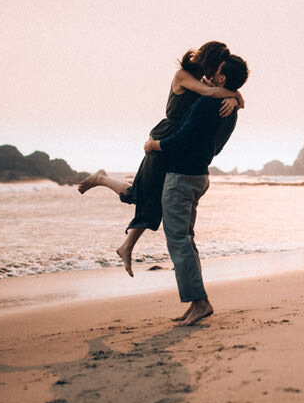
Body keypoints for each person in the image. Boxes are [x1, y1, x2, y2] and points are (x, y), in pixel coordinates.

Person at [78, 42, 244, 276]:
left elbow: (213, 93)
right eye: (218, 65)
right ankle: (103, 181)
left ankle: (128, 246)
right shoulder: (184, 76)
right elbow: (210, 93)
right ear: (210, 61)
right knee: (143, 196)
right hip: (164, 139)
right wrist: (236, 96)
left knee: (154, 199)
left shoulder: (206, 81)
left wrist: (235, 98)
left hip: (175, 144)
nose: (218, 72)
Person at [145, 54, 249, 326]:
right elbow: (214, 146)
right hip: (200, 176)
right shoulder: (230, 109)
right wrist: (237, 97)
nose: (212, 74)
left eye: (217, 72)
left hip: (181, 176)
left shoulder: (206, 104)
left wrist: (154, 146)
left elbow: (182, 139)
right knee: (186, 240)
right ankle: (195, 303)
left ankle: (200, 303)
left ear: (222, 78)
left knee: (178, 240)